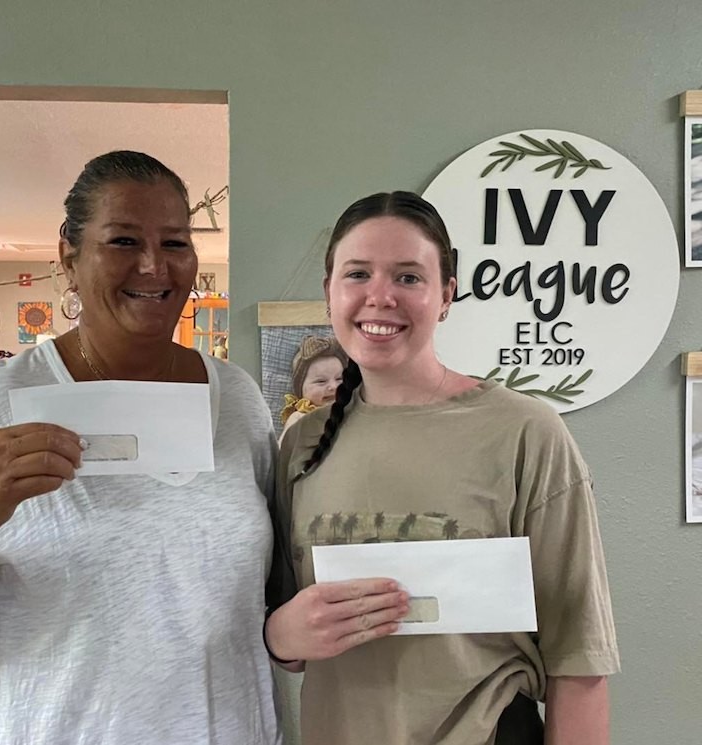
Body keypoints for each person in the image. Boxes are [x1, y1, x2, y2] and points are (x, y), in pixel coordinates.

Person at [0, 151, 280, 745]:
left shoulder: (238, 400)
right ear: (69, 258)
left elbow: (268, 595)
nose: (154, 266)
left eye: (175, 243)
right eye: (123, 240)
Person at [265, 191, 620, 745]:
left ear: (447, 295)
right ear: (329, 291)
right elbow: (289, 637)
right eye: (358, 274)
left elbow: (580, 658)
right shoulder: (301, 443)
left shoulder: (526, 432)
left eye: (408, 277)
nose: (380, 296)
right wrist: (281, 636)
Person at [279, 335, 347, 442]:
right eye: (321, 381)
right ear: (301, 390)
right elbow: (284, 450)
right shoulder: (299, 419)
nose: (334, 386)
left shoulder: (352, 410)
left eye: (339, 379)